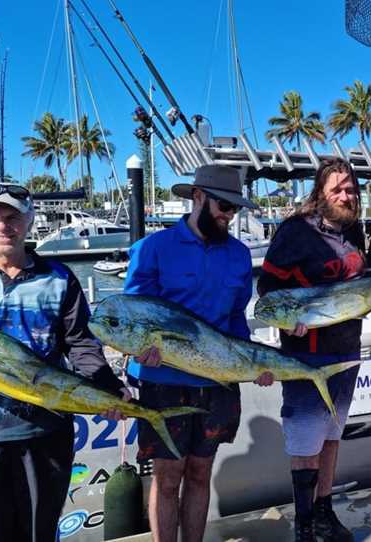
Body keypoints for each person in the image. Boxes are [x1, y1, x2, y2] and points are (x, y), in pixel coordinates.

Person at [0, 184, 128, 542]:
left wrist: (109, 390)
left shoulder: (59, 278)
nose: (2, 226)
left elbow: (81, 344)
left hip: (44, 433)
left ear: (29, 220)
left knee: (38, 534)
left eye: (12, 217)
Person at [124, 165, 270, 542]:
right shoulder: (151, 249)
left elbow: (237, 317)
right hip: (164, 381)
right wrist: (143, 352)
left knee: (202, 472)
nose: (229, 216)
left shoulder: (239, 255)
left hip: (218, 381)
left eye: (235, 210)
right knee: (168, 476)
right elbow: (133, 315)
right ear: (198, 197)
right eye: (224, 206)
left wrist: (254, 363)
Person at [258, 158, 365, 542]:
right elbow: (267, 291)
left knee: (332, 437)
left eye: (350, 189)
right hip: (307, 357)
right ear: (319, 192)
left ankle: (324, 513)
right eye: (337, 188)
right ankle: (303, 526)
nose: (345, 195)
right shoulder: (295, 232)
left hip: (347, 352)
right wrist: (289, 320)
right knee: (306, 443)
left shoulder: (354, 231)